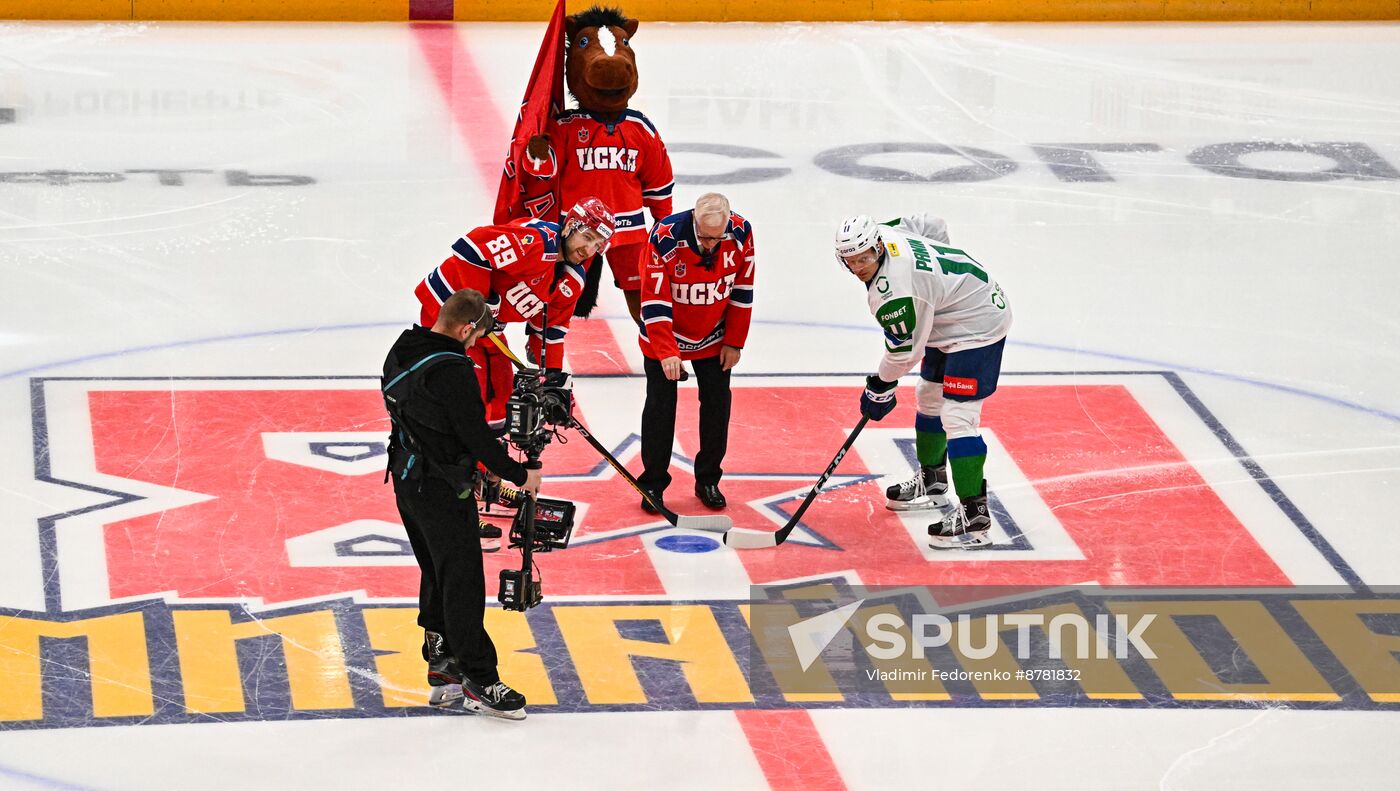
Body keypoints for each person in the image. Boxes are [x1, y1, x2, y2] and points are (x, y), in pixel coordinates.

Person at [383, 288, 542, 720]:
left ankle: (443, 665)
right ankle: (480, 678)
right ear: (466, 328)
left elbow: (431, 419)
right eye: (477, 337)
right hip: (439, 489)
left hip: (405, 479)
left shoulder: (403, 347)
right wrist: (519, 475)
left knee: (437, 570)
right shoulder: (453, 371)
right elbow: (476, 438)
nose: (476, 346)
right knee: (464, 581)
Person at [414, 198, 614, 541]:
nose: (590, 248)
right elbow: (471, 248)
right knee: (466, 402)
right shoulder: (535, 242)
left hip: (486, 328)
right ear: (571, 226)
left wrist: (552, 381)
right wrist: (483, 300)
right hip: (450, 315)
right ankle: (460, 496)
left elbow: (548, 334)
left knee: (502, 395)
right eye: (588, 237)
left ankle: (486, 476)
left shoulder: (571, 279)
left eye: (600, 244)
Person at [834, 214, 1012, 549]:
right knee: (928, 396)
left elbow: (903, 354)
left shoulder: (894, 294)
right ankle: (933, 479)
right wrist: (937, 283)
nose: (859, 267)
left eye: (865, 258)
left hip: (977, 326)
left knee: (958, 417)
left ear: (877, 247)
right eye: (851, 261)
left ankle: (974, 513)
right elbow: (931, 224)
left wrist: (880, 387)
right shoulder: (887, 231)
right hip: (951, 313)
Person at [636, 192, 755, 512]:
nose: (711, 244)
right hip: (666, 336)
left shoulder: (741, 233)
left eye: (718, 237)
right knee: (661, 408)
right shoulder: (664, 236)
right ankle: (653, 483)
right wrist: (666, 350)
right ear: (694, 220)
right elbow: (653, 297)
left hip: (714, 338)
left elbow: (743, 289)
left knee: (717, 407)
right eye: (704, 236)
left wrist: (734, 340)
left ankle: (708, 479)